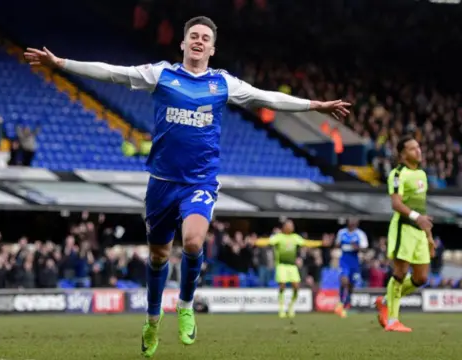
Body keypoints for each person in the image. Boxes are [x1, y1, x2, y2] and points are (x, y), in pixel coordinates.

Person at [25, 16, 350, 357]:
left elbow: (267, 98)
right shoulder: (162, 74)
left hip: (200, 181)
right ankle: (152, 320)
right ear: (183, 43)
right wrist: (61, 63)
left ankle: (185, 304)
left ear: (212, 48)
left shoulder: (223, 83)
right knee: (158, 256)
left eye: (204, 37)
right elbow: (113, 72)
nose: (198, 40)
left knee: (193, 242)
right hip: (162, 182)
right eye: (193, 35)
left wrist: (316, 106)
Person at [376, 135, 435, 333]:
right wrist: (417, 217)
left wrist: (429, 236)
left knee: (421, 278)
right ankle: (393, 320)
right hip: (404, 228)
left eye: (418, 147)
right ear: (402, 155)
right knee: (400, 273)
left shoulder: (422, 175)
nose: (418, 151)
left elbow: (422, 209)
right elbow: (396, 203)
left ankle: (385, 301)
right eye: (412, 149)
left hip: (419, 232)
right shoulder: (397, 173)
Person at [253, 220, 322, 318]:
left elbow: (307, 243)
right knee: (282, 286)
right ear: (284, 227)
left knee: (296, 286)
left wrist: (321, 242)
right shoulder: (279, 237)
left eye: (292, 225)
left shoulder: (295, 238)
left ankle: (291, 306)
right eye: (289, 225)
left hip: (292, 266)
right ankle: (281, 308)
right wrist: (256, 241)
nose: (291, 227)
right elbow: (267, 241)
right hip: (281, 265)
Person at [333, 218, 368, 318]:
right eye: (350, 221)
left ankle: (346, 303)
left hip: (355, 261)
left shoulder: (360, 234)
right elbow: (337, 244)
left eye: (354, 222)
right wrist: (337, 245)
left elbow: (365, 248)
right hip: (344, 260)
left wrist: (357, 248)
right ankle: (340, 303)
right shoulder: (342, 232)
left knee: (351, 284)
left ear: (357, 223)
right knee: (344, 281)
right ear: (348, 223)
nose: (352, 223)